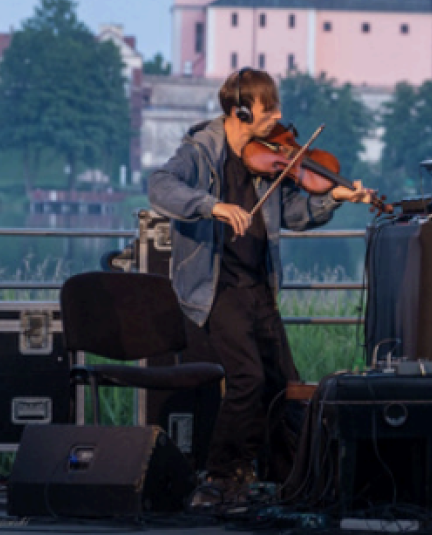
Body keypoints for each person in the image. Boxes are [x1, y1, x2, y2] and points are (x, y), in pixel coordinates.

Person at [149, 67, 374, 508]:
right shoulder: (200, 152)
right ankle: (220, 475)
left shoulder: (266, 158)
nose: (278, 116)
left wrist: (334, 198)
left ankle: (286, 479)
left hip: (258, 286)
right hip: (218, 288)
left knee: (283, 385)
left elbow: (291, 213)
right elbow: (160, 187)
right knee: (247, 378)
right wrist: (211, 205)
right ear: (242, 111)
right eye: (268, 108)